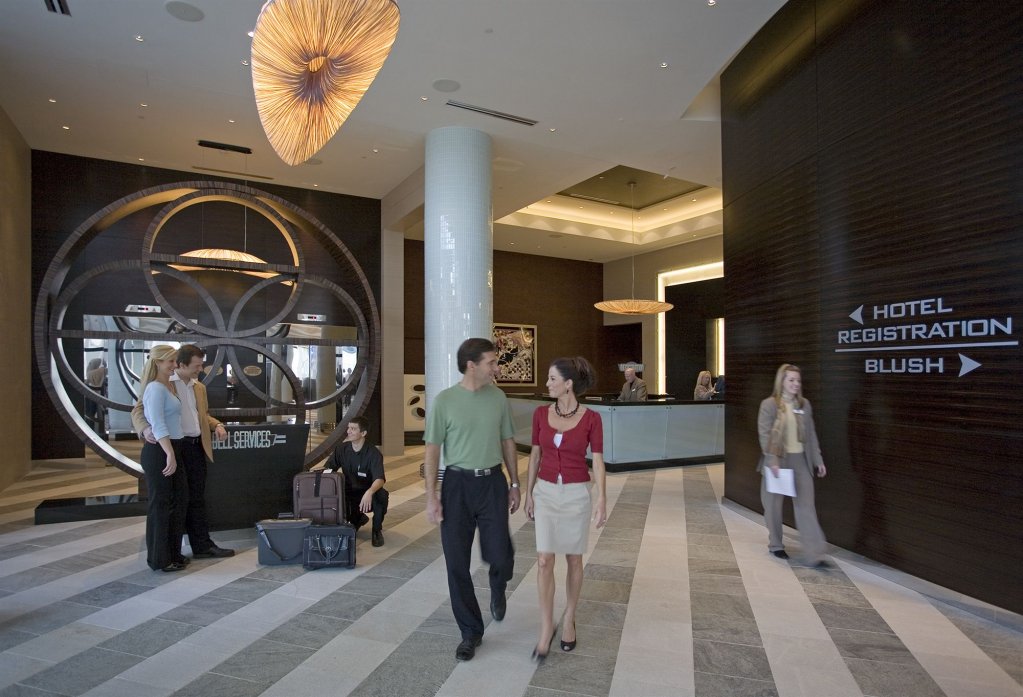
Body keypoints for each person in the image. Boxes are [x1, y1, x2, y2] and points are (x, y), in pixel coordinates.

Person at [423, 337, 521, 662]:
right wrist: (432, 496)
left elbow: (507, 441)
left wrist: (515, 483)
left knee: (501, 555)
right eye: (491, 362)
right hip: (457, 486)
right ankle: (470, 632)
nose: (496, 368)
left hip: (492, 482)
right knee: (456, 563)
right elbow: (432, 450)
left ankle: (498, 585)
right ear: (471, 365)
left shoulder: (498, 398)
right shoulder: (445, 401)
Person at [524, 357, 607, 661]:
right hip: (546, 491)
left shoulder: (592, 418)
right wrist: (529, 492)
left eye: (552, 379)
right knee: (544, 560)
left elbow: (598, 460)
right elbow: (535, 456)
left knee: (573, 558)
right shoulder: (540, 414)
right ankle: (547, 626)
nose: (547, 384)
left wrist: (602, 498)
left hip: (576, 494)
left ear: (568, 384)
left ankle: (569, 617)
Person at [133, 344, 234, 559]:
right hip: (175, 447)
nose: (200, 369)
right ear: (181, 364)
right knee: (175, 502)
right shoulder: (164, 383)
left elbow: (201, 415)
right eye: (196, 365)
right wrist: (145, 429)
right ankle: (171, 552)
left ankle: (202, 546)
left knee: (196, 498)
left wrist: (217, 424)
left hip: (196, 446)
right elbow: (139, 410)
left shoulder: (199, 387)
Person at [757, 363, 829, 567]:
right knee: (773, 507)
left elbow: (811, 435)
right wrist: (772, 461)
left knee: (806, 507)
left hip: (800, 462)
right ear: (782, 382)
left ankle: (815, 554)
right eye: (791, 380)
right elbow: (765, 435)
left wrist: (818, 460)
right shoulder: (769, 405)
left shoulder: (804, 405)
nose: (796, 384)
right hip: (777, 461)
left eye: (798, 380)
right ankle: (776, 545)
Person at [138, 345, 188, 572]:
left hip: (172, 447)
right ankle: (160, 559)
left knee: (177, 502)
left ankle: (173, 554)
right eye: (170, 361)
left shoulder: (168, 385)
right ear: (157, 362)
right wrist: (169, 453)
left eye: (175, 361)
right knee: (160, 505)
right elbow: (158, 424)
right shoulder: (155, 388)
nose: (175, 365)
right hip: (161, 451)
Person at [323, 416, 388, 547]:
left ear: (363, 433)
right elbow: (328, 469)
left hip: (367, 492)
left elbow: (380, 479)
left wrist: (369, 492)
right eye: (348, 428)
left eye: (353, 429)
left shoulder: (373, 453)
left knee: (381, 496)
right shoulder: (341, 449)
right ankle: (358, 518)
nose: (348, 431)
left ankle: (376, 530)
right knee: (338, 501)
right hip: (349, 491)